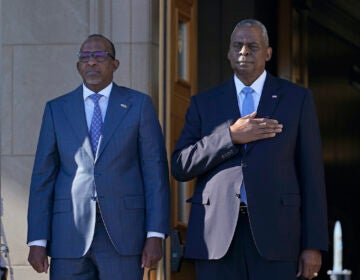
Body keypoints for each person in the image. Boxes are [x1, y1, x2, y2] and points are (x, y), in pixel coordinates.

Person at [171, 19, 328, 280]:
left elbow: (312, 176)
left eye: (252, 46)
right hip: (215, 237)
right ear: (229, 53)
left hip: (277, 236)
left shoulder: (296, 99)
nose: (244, 52)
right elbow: (180, 165)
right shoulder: (204, 102)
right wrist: (230, 136)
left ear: (268, 53)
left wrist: (313, 245)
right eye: (237, 46)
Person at [27, 34, 170, 280]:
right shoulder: (56, 109)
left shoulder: (139, 105)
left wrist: (155, 234)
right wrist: (38, 238)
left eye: (100, 55)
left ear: (115, 64)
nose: (91, 62)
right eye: (85, 57)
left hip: (123, 235)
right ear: (78, 66)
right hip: (68, 235)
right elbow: (43, 176)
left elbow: (155, 173)